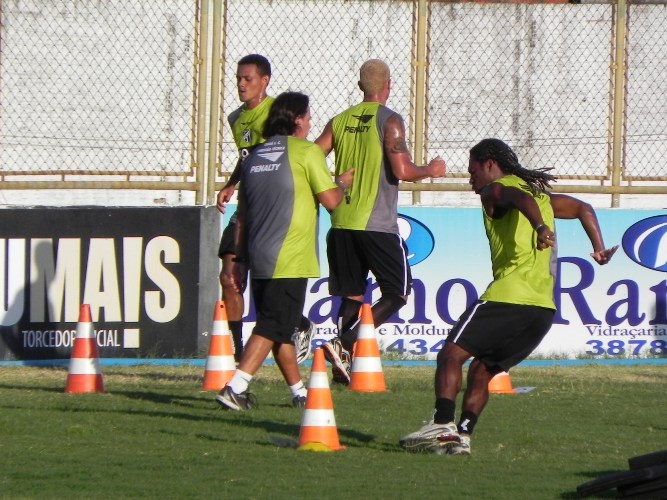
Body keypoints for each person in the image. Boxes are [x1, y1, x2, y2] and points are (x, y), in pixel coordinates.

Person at [399, 138, 618, 455]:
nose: (471, 180)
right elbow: (583, 207)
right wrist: (598, 247)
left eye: (473, 171)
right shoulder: (540, 195)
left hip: (508, 297)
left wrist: (541, 226)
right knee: (481, 371)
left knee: (451, 355)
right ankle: (462, 437)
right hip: (542, 309)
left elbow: (511, 195)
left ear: (490, 164)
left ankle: (442, 424)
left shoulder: (496, 189)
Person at [215, 91, 354, 410]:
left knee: (280, 327)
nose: (310, 122)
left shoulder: (256, 156)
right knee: (273, 325)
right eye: (307, 116)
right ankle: (236, 387)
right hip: (290, 256)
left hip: (257, 253)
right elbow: (332, 202)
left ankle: (299, 393)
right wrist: (343, 183)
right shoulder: (307, 153)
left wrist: (238, 260)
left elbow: (243, 216)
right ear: (296, 120)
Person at [314, 59, 446, 385]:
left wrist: (336, 184)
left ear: (360, 86)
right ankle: (342, 344)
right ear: (389, 85)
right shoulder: (390, 121)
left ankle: (341, 365)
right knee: (398, 292)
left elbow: (313, 155)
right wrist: (430, 170)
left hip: (341, 222)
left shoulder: (339, 121)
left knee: (352, 296)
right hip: (376, 224)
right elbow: (402, 171)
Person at [216, 54, 313, 364]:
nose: (242, 84)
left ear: (265, 81)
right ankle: (236, 349)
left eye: (248, 79)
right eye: (238, 79)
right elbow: (248, 158)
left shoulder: (277, 113)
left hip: (272, 210)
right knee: (229, 276)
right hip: (247, 206)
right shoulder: (235, 119)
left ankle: (298, 324)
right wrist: (232, 182)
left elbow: (287, 153)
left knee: (271, 284)